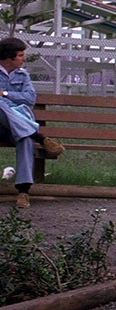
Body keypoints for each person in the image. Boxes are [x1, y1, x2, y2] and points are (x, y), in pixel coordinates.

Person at [0, 36, 65, 209]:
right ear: (9, 57)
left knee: (25, 138)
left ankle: (23, 192)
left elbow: (30, 99)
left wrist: (6, 94)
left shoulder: (23, 75)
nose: (24, 58)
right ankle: (40, 137)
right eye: (21, 55)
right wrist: (10, 103)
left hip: (17, 126)